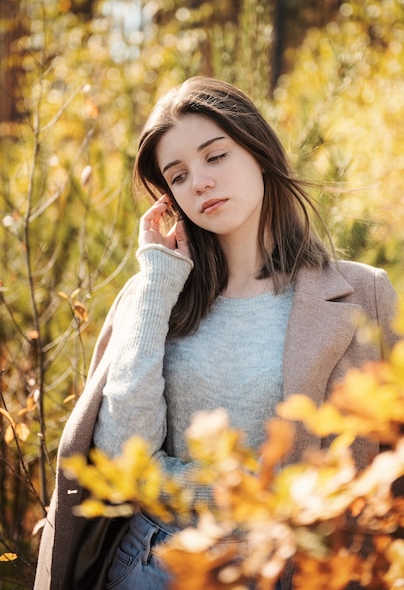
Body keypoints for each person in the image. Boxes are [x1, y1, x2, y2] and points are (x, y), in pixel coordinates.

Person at [34, 76, 399, 590]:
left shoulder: (363, 293)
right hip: (160, 565)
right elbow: (121, 457)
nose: (199, 182)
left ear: (257, 149)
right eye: (178, 175)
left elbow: (391, 464)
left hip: (303, 571)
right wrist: (157, 281)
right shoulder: (156, 297)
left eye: (215, 156)